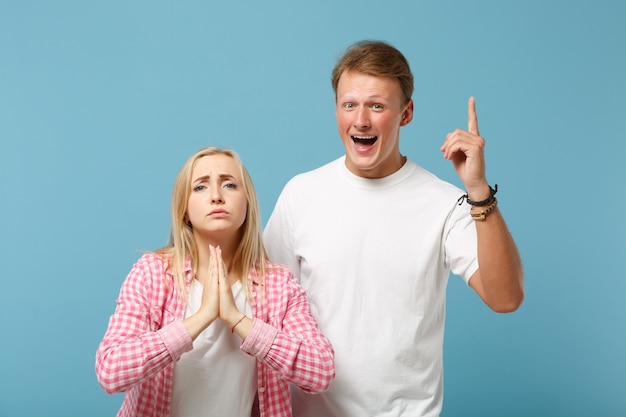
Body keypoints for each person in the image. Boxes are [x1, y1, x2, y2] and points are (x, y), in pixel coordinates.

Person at [262, 40, 524, 417]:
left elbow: (506, 298)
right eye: (349, 104)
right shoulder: (301, 194)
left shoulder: (444, 203)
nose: (361, 120)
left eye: (377, 105)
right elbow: (266, 310)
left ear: (406, 113)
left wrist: (479, 191)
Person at [96, 147, 335, 417]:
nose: (216, 196)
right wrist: (200, 318)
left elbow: (321, 371)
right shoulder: (153, 273)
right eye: (200, 187)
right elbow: (110, 370)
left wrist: (238, 320)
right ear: (184, 210)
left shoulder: (278, 284)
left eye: (230, 184)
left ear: (247, 204)